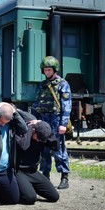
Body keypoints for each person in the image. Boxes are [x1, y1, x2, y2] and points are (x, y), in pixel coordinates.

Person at [33, 56, 72, 189]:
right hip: (43, 119)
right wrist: (34, 121)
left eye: (49, 70)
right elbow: (36, 103)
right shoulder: (42, 85)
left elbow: (66, 105)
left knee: (59, 149)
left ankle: (64, 177)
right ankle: (45, 176)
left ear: (55, 70)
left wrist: (63, 124)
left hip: (56, 120)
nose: (47, 72)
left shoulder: (63, 84)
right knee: (44, 149)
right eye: (45, 70)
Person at [15, 110, 60, 204]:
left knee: (54, 196)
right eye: (37, 138)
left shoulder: (41, 136)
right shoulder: (21, 133)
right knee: (30, 199)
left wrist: (46, 128)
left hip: (33, 171)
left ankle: (28, 187)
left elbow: (56, 147)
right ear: (33, 131)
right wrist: (31, 127)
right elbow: (24, 146)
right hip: (19, 171)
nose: (39, 141)